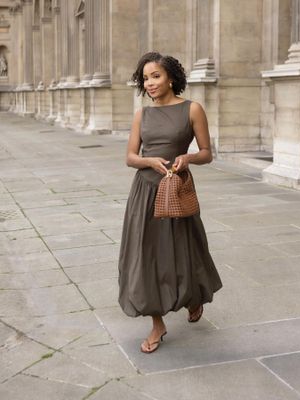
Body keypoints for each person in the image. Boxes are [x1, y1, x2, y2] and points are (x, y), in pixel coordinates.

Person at [118, 52, 222, 354]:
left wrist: (188, 157)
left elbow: (206, 153)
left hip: (176, 189)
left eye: (156, 76)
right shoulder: (142, 114)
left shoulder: (192, 110)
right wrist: (147, 161)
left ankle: (194, 296)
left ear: (171, 78)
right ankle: (157, 323)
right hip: (145, 192)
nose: (149, 83)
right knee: (146, 255)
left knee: (186, 248)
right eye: (146, 78)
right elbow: (130, 157)